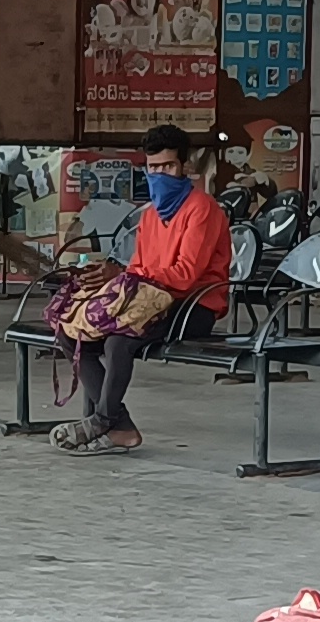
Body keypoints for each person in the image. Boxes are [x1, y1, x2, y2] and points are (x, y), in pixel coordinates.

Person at [52, 125, 233, 454]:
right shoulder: (151, 215)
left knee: (120, 339)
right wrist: (110, 278)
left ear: (185, 168)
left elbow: (185, 275)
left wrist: (124, 274)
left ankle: (103, 420)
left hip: (194, 305)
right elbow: (138, 269)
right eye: (153, 168)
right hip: (151, 300)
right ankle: (119, 426)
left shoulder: (202, 209)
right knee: (72, 330)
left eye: (168, 167)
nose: (160, 174)